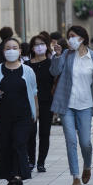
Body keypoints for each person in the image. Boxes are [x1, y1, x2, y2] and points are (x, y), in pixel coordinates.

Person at [50, 25, 93, 185]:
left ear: (82, 38)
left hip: (86, 105)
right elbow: (54, 71)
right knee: (71, 140)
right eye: (69, 37)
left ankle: (87, 166)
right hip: (67, 104)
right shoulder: (66, 55)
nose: (70, 39)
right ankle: (75, 175)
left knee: (85, 142)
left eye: (73, 36)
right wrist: (57, 55)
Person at [0, 39, 37, 185]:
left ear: (20, 51)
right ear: (3, 52)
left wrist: (35, 113)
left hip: (24, 115)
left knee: (19, 143)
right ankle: (10, 176)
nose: (11, 50)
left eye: (14, 48)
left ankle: (19, 174)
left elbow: (34, 92)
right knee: (4, 145)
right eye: (8, 48)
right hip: (3, 115)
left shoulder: (28, 71)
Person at [26, 35, 57, 172]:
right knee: (31, 132)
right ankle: (31, 161)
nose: (39, 47)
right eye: (36, 44)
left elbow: (56, 83)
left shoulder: (51, 64)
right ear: (32, 48)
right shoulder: (26, 65)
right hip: (29, 103)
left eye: (42, 44)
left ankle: (41, 162)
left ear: (47, 46)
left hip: (47, 102)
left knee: (45, 132)